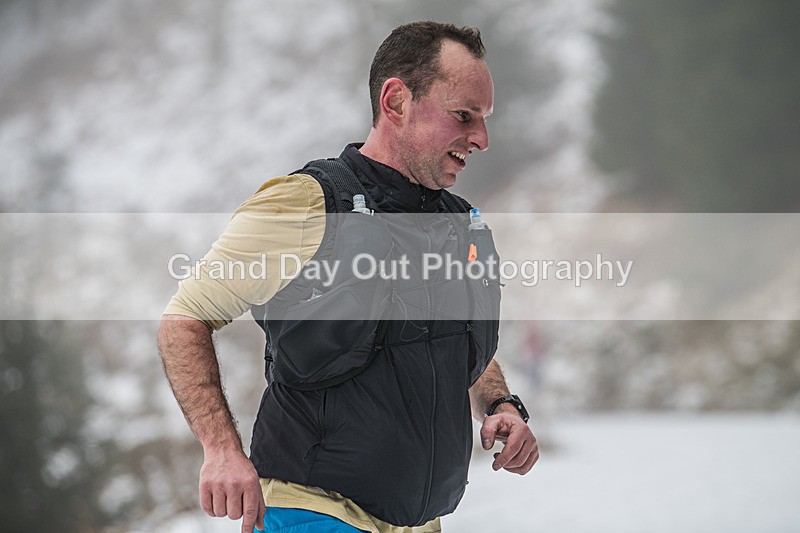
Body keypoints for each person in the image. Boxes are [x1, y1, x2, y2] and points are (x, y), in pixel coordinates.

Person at [158, 21, 538, 533]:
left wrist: (501, 403)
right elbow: (185, 319)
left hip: (419, 522)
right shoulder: (307, 203)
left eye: (484, 119)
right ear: (397, 100)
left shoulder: (456, 223)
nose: (481, 139)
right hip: (312, 509)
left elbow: (458, 340)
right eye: (463, 115)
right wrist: (222, 450)